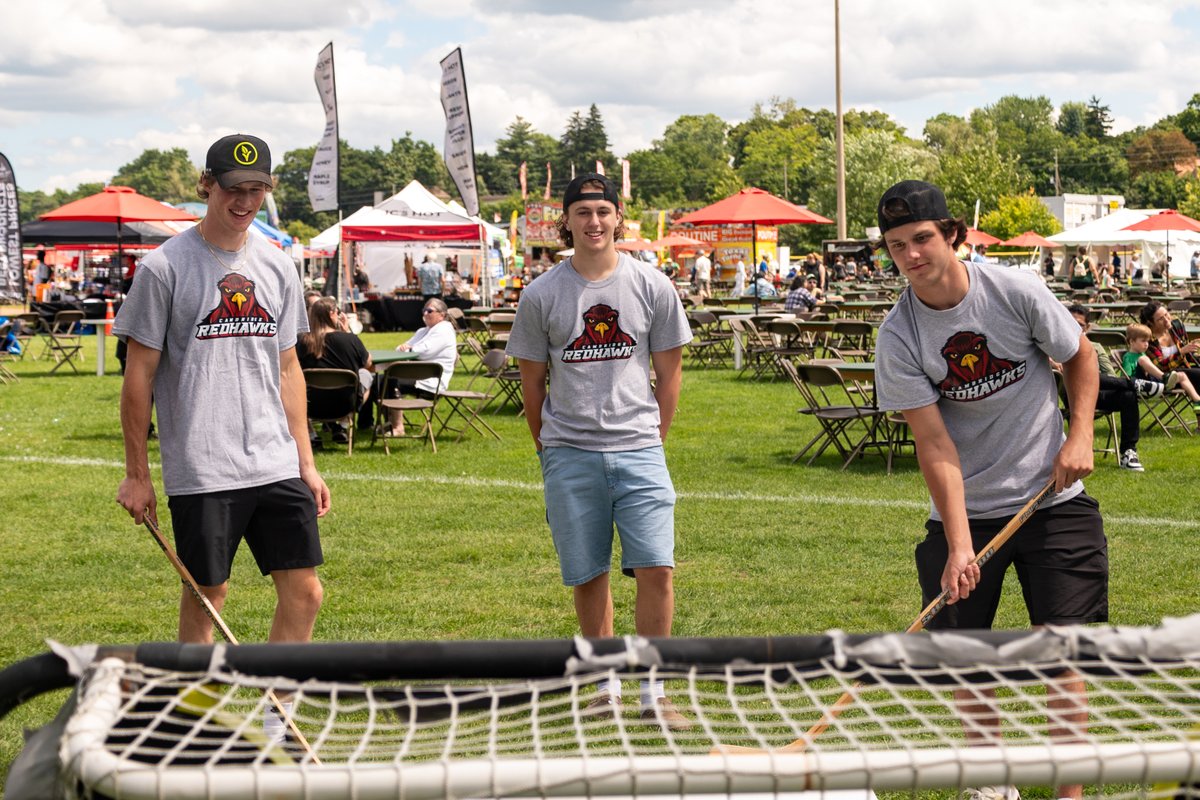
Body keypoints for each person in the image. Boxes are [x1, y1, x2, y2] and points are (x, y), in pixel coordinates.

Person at [873, 181, 1105, 800]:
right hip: (965, 511)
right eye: (897, 246)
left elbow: (1082, 357)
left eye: (922, 238)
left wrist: (1079, 433)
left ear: (954, 235)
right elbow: (935, 444)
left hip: (1053, 503)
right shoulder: (897, 337)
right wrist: (956, 545)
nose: (911, 255)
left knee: (1064, 655)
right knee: (966, 662)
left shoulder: (1015, 292)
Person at [114, 132, 328, 660]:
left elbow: (287, 366)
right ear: (207, 185)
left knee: (305, 594)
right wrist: (138, 473)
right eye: (234, 188)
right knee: (210, 595)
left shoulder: (278, 265)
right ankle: (195, 722)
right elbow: (138, 376)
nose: (245, 201)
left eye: (257, 189)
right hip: (203, 466)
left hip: (274, 459)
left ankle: (279, 722)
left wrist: (305, 460)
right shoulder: (164, 268)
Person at [506, 172, 692, 730]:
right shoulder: (541, 293)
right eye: (582, 212)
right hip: (570, 451)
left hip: (639, 447)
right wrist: (550, 446)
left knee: (657, 568)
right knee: (589, 574)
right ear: (566, 220)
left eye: (603, 211)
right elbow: (531, 383)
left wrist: (654, 434)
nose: (593, 222)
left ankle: (653, 693)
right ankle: (603, 686)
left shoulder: (652, 284)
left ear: (618, 218)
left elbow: (670, 370)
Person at [1063, 305, 1143, 471]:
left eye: (1079, 325)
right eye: (1070, 322)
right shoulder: (1054, 346)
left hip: (1098, 394)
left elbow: (1110, 375)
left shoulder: (1096, 347)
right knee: (1082, 374)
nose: (1074, 327)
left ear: (1087, 327)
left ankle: (1129, 452)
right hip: (1071, 396)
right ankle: (1135, 384)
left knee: (1128, 395)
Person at [297, 297, 373, 446]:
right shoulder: (350, 340)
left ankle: (311, 433)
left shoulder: (302, 341)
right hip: (345, 403)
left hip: (310, 405)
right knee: (366, 374)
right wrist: (346, 332)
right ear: (332, 313)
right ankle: (343, 425)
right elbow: (368, 362)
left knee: (296, 381)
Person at [1123, 322, 1200, 421]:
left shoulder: (1143, 354)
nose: (1146, 344)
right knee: (1143, 360)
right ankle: (1165, 377)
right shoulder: (1129, 357)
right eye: (1143, 341)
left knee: (1181, 375)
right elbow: (1126, 378)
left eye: (1147, 341)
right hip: (1141, 385)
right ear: (1131, 341)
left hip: (1154, 381)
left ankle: (1197, 400)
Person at [1139, 301, 1200, 393]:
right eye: (1160, 319)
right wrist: (1182, 351)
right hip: (1168, 377)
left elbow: (1188, 356)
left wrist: (1193, 347)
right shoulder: (1148, 338)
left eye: (1166, 314)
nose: (1167, 320)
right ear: (1151, 322)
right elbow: (1160, 366)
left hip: (1184, 368)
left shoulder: (1177, 326)